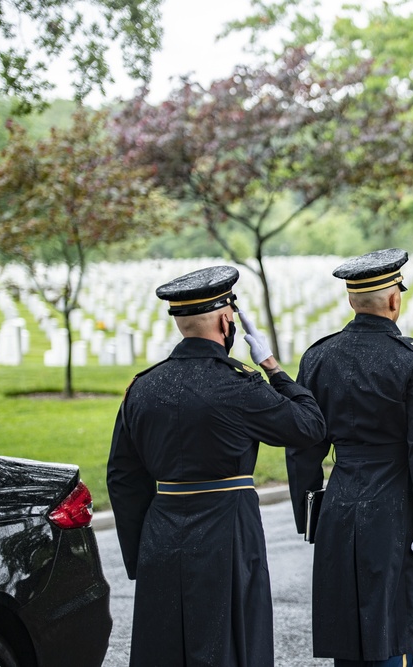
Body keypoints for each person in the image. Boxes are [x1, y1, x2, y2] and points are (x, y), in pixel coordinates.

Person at [107, 266, 326, 667]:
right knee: (229, 643)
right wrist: (273, 368)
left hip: (160, 535)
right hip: (228, 531)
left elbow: (122, 478)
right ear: (227, 321)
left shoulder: (142, 387)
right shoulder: (238, 384)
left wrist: (141, 553)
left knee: (166, 647)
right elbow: (310, 426)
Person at [289, 248, 413, 666]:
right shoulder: (411, 357)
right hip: (394, 505)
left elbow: (304, 448)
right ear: (395, 299)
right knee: (393, 629)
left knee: (349, 632)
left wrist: (311, 518)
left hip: (341, 503)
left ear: (351, 299)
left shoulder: (318, 356)